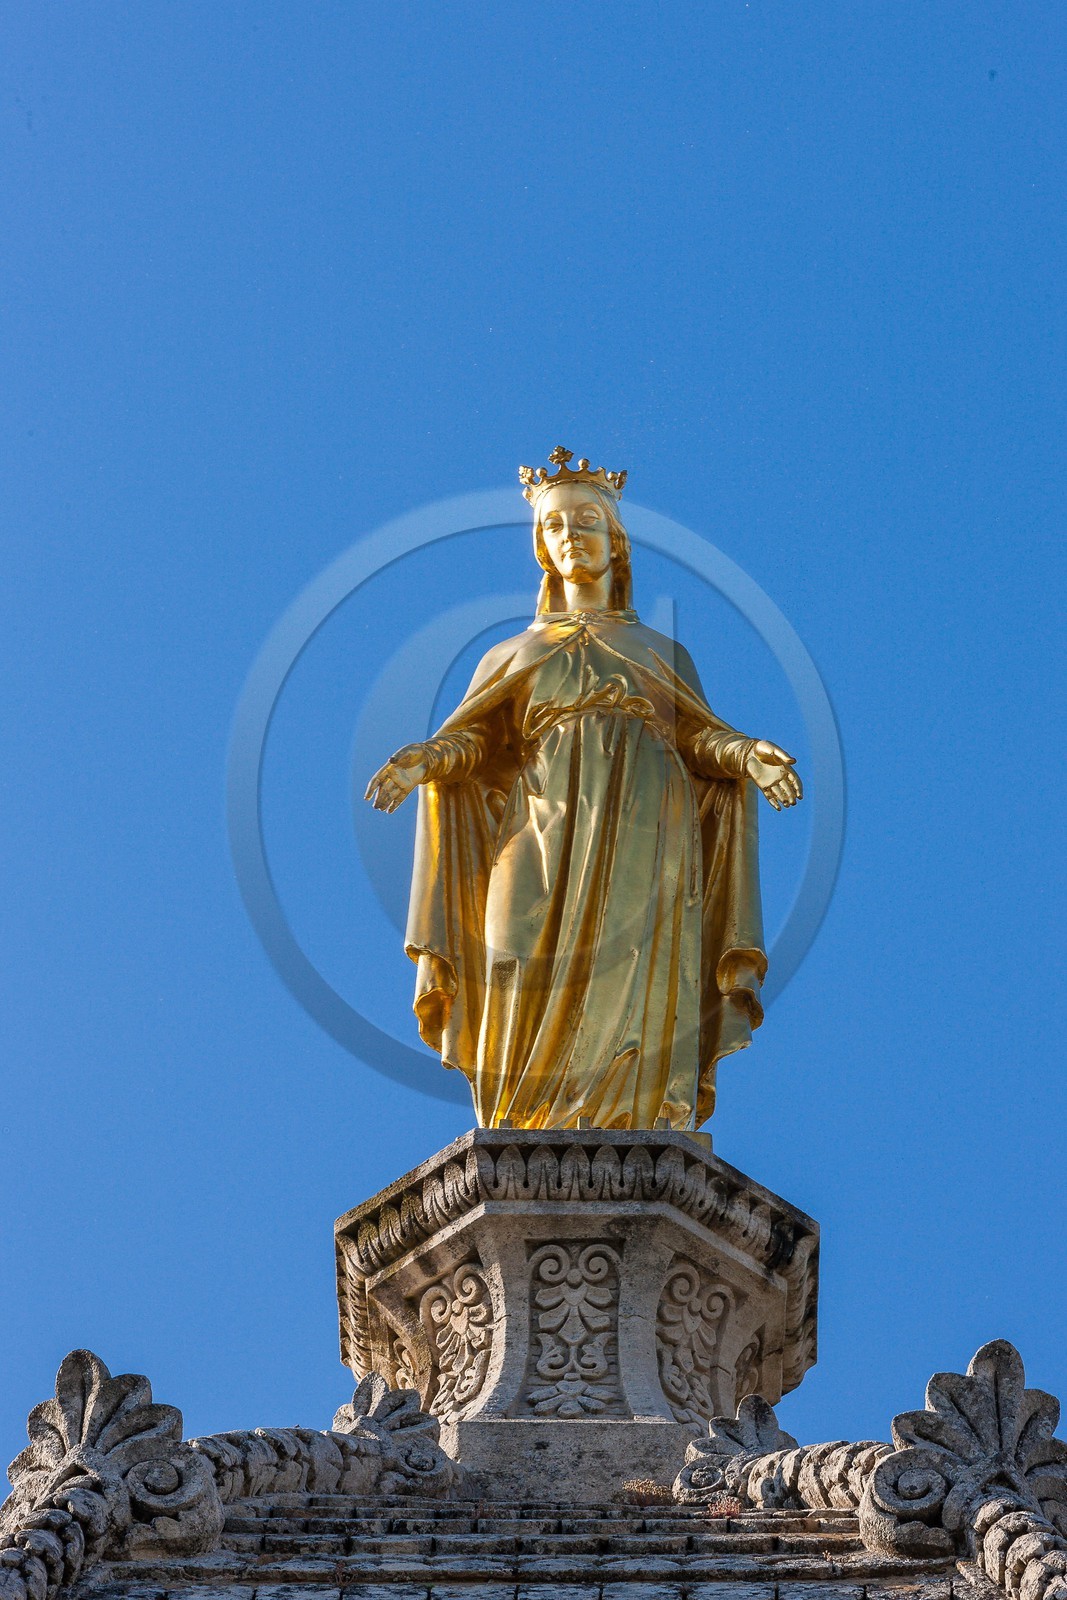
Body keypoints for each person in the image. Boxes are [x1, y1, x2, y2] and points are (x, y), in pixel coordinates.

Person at [366, 448, 801, 1130]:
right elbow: (476, 742)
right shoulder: (510, 654)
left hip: (644, 817)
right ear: (541, 547)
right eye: (555, 525)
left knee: (632, 959)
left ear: (615, 541)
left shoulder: (660, 651)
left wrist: (746, 754)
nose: (570, 535)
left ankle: (634, 1117)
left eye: (587, 521)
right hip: (539, 815)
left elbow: (696, 738)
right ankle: (521, 1115)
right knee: (513, 947)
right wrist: (426, 758)